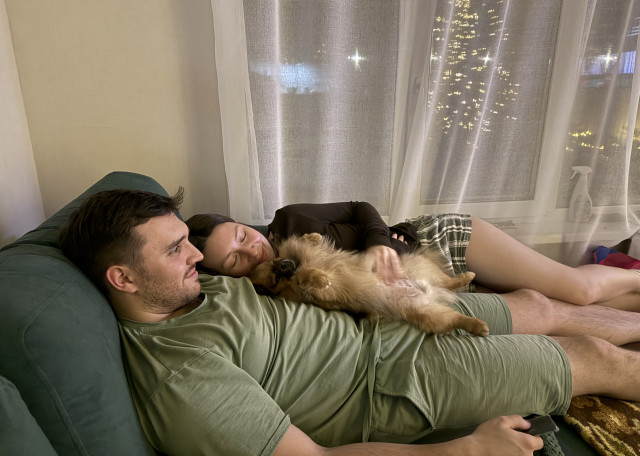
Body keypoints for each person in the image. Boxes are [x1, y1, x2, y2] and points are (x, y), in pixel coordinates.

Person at [60, 189, 640, 456]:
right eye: (175, 250)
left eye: (188, 241)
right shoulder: (180, 375)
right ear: (123, 278)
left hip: (383, 317)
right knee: (592, 355)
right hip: (389, 383)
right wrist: (464, 451)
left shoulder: (196, 285)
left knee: (540, 304)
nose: (194, 255)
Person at [186, 202, 640, 311]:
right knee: (553, 300)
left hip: (440, 241)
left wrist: (380, 243)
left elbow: (360, 208)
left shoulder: (289, 220)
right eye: (235, 259)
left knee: (577, 290)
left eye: (242, 235)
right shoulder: (274, 289)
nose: (251, 249)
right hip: (425, 284)